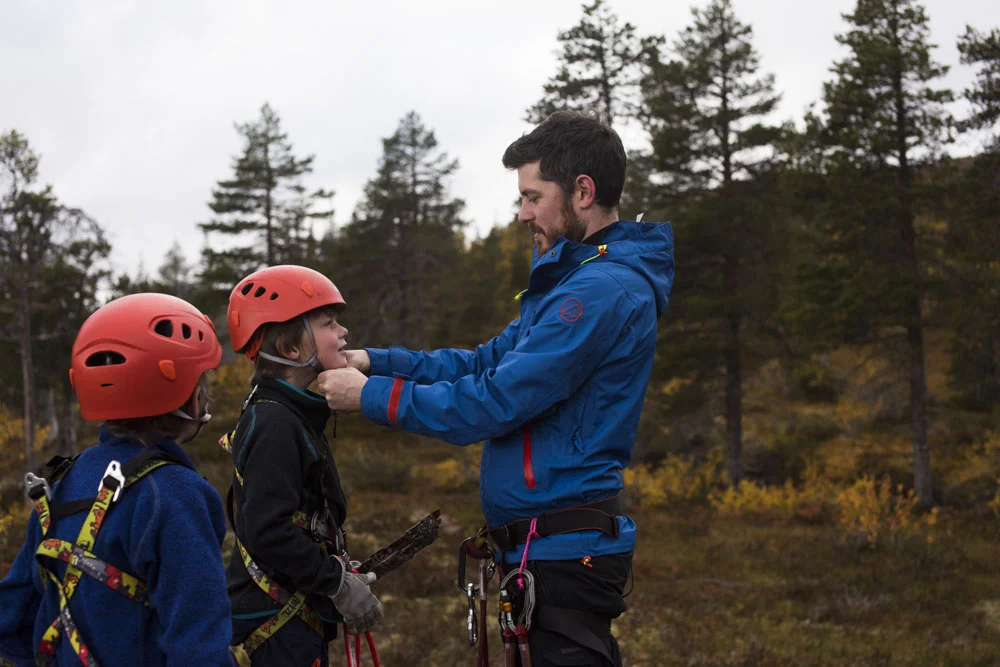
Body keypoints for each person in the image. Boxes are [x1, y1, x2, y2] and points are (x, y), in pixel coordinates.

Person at [318, 110, 675, 666]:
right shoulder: (575, 283)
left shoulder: (597, 293)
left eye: (533, 196)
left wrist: (366, 397)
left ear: (582, 191)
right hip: (545, 552)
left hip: (561, 556)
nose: (522, 213)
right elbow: (485, 362)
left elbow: (493, 403)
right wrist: (373, 362)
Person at [0, 293, 234, 666]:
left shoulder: (62, 481)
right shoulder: (177, 495)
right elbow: (198, 644)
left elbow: (12, 619)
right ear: (190, 399)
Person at [221, 265, 382, 667]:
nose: (343, 332)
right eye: (328, 323)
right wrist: (335, 582)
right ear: (292, 350)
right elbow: (267, 530)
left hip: (291, 615)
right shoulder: (275, 422)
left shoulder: (286, 415)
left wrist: (332, 562)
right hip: (281, 624)